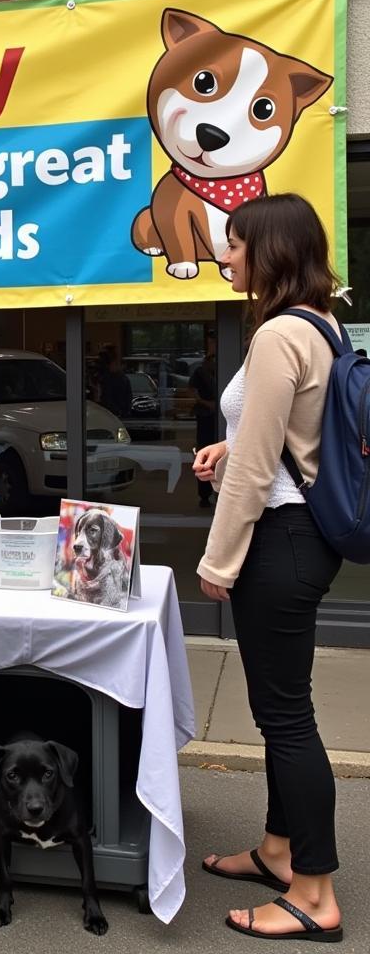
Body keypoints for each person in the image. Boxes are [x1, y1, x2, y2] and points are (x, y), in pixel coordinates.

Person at [193, 194, 343, 942]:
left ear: (270, 250)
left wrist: (219, 559)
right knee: (283, 709)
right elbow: (280, 438)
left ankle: (314, 895)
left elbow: (257, 468)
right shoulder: (322, 325)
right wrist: (228, 448)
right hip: (302, 536)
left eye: (237, 244)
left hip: (277, 542)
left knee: (287, 717)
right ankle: (280, 851)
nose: (228, 255)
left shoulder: (281, 333)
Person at [189, 352, 218, 508]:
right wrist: (205, 403)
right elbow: (193, 391)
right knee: (205, 454)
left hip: (217, 417)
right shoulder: (200, 373)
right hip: (206, 417)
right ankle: (205, 495)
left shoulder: (219, 372)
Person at [98, 349, 132, 419]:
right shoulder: (122, 378)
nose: (111, 366)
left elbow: (106, 397)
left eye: (114, 364)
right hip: (117, 412)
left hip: (112, 413)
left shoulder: (110, 379)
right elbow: (128, 396)